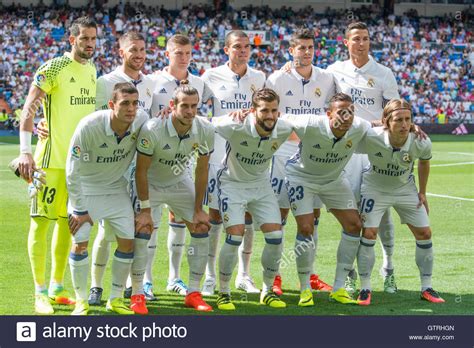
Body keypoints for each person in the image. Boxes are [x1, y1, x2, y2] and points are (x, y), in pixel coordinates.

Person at [17, 16, 97, 315]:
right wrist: (25, 152)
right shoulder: (53, 68)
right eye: (84, 38)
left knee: (69, 223)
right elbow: (29, 107)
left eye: (93, 39)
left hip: (78, 166)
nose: (89, 44)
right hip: (48, 162)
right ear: (71, 39)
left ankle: (57, 286)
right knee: (40, 223)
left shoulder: (91, 70)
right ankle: (39, 293)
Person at [327, 22, 401, 294]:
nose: (361, 43)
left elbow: (394, 108)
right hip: (346, 152)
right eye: (356, 39)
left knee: (381, 214)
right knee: (352, 214)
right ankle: (350, 274)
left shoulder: (383, 73)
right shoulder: (334, 71)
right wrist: (290, 67)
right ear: (346, 42)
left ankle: (389, 267)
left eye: (366, 39)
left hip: (375, 151)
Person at [66, 82, 149, 315]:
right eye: (125, 103)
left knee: (127, 242)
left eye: (135, 103)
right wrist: (80, 210)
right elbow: (71, 169)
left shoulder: (141, 121)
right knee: (80, 243)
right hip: (87, 190)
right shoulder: (89, 125)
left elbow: (161, 125)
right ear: (112, 104)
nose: (131, 109)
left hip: (116, 190)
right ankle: (81, 300)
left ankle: (115, 298)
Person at [87, 31, 157, 306]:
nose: (138, 55)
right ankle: (95, 286)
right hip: (112, 168)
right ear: (121, 53)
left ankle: (134, 284)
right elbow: (91, 121)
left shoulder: (151, 83)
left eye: (142, 49)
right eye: (133, 50)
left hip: (139, 168)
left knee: (142, 228)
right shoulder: (105, 83)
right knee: (107, 231)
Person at [265, 28, 335, 295]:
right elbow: (265, 114)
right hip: (284, 152)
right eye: (301, 48)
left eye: (310, 47)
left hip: (314, 153)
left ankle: (310, 273)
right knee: (280, 214)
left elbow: (335, 108)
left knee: (312, 216)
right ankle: (277, 276)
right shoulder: (276, 79)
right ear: (291, 50)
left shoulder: (327, 78)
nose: (306, 52)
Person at [134, 84, 215, 312]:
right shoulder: (153, 128)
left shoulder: (205, 129)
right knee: (143, 230)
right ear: (172, 106)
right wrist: (145, 209)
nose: (190, 111)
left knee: (200, 226)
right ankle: (138, 293)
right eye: (185, 106)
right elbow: (141, 170)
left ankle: (193, 292)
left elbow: (202, 170)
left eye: (194, 106)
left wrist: (199, 208)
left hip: (179, 181)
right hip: (150, 183)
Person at [355, 99, 445, 305]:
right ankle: (365, 288)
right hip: (374, 188)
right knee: (368, 233)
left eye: (408, 119)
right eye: (399, 120)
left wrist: (423, 192)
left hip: (405, 189)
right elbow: (351, 133)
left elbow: (424, 161)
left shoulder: (421, 140)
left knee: (425, 233)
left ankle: (426, 287)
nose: (405, 124)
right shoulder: (371, 136)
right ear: (387, 121)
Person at [285, 93, 370, 306]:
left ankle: (339, 288)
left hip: (333, 180)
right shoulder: (310, 124)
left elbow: (380, 126)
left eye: (351, 111)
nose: (347, 116)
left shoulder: (359, 126)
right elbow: (279, 118)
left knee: (354, 225)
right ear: (328, 113)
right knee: (306, 228)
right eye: (341, 111)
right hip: (301, 177)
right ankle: (305, 289)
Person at [214, 88, 292, 310]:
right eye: (264, 110)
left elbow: (314, 123)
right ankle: (224, 292)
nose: (270, 115)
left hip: (261, 185)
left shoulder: (284, 127)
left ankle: (267, 291)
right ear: (252, 110)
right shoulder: (234, 125)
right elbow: (202, 123)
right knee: (235, 237)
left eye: (274, 110)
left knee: (276, 236)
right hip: (232, 184)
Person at [201, 30, 266, 296]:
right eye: (237, 47)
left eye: (246, 47)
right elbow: (196, 110)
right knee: (215, 216)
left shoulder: (260, 77)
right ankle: (209, 277)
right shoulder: (210, 76)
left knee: (248, 214)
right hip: (218, 157)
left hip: (248, 157)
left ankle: (244, 274)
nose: (242, 51)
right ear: (226, 49)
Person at [148, 34, 213, 297]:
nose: (183, 57)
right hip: (154, 159)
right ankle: (147, 282)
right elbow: (142, 115)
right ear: (168, 54)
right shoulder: (152, 80)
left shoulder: (200, 82)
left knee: (180, 219)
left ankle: (174, 278)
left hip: (183, 160)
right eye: (178, 53)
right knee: (149, 224)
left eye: (187, 53)